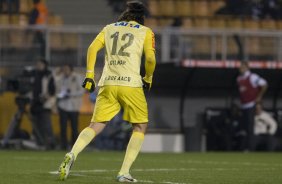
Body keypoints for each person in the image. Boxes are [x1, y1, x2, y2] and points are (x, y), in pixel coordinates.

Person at [58, 1, 156, 182]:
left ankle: (72, 153)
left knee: (95, 125)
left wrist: (89, 76)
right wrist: (148, 78)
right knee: (140, 126)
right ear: (141, 18)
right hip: (131, 84)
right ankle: (124, 172)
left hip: (107, 82)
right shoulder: (145, 31)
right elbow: (150, 59)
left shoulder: (109, 28)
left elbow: (92, 48)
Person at [237, 61, 267, 151]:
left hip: (251, 104)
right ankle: (244, 147)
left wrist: (259, 96)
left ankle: (250, 148)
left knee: (250, 128)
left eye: (242, 67)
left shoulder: (253, 77)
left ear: (246, 67)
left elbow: (264, 84)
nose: (240, 69)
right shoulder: (239, 79)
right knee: (244, 127)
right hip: (244, 105)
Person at [56, 64, 84, 150]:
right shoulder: (60, 79)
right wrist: (61, 95)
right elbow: (57, 92)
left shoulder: (77, 78)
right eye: (63, 69)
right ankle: (63, 146)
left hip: (74, 106)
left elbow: (82, 91)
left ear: (71, 70)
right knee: (63, 127)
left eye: (66, 69)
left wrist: (70, 94)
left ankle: (74, 146)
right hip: (63, 106)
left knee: (74, 128)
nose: (65, 71)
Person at [30, 59, 56, 150]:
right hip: (35, 104)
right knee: (36, 125)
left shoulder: (48, 75)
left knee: (46, 125)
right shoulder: (34, 75)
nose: (38, 66)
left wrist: (45, 98)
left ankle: (50, 144)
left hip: (45, 104)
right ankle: (39, 143)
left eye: (40, 64)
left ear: (45, 65)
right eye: (37, 64)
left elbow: (52, 90)